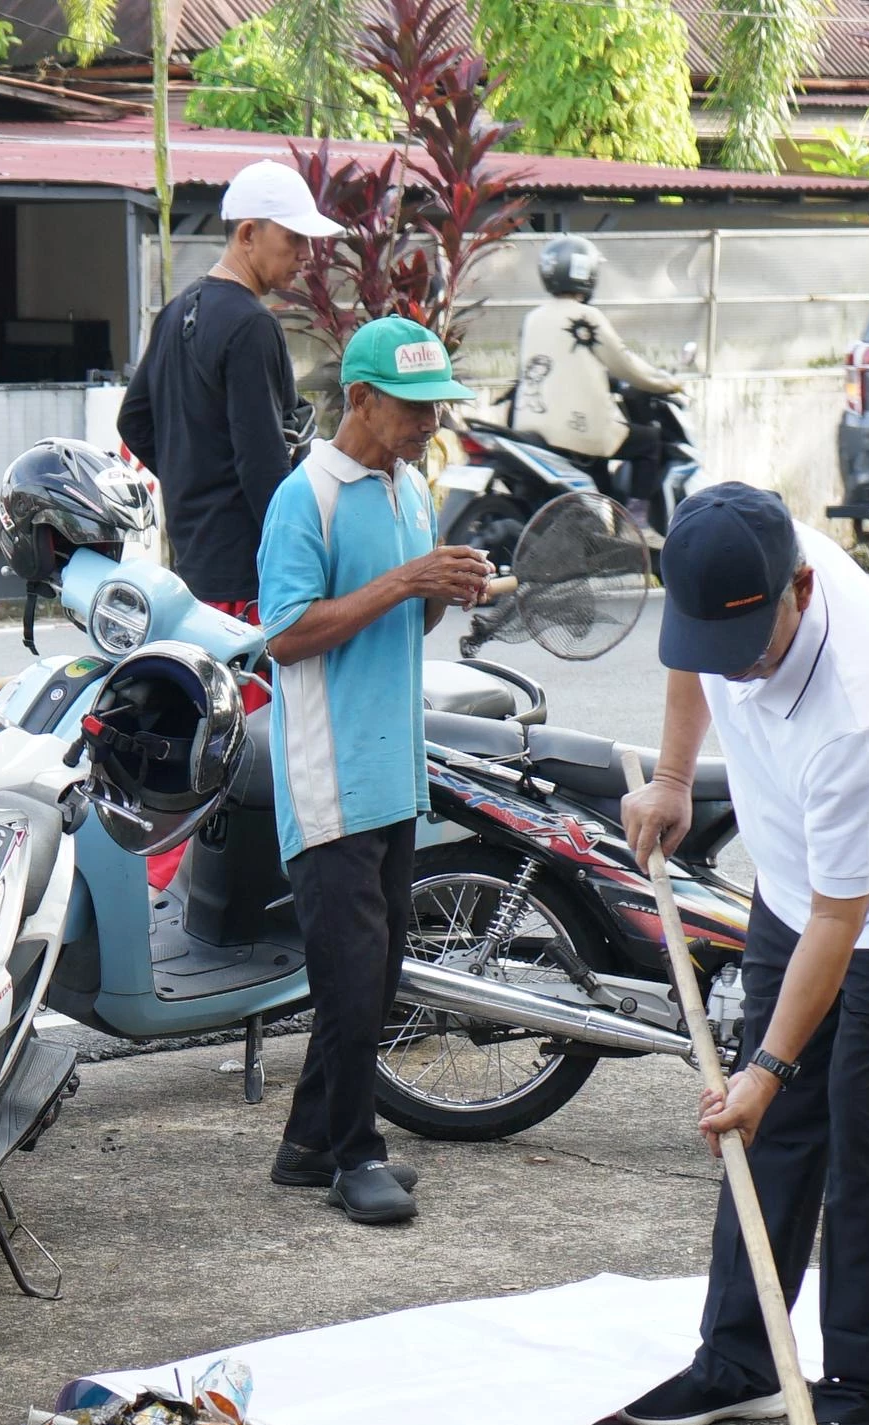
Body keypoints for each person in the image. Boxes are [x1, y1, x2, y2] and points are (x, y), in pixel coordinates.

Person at [619, 484, 869, 1425]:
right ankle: (739, 1358)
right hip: (797, 876)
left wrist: (768, 1063)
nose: (729, 667)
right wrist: (669, 778)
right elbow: (688, 658)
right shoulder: (731, 561)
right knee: (769, 1129)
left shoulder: (859, 705)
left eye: (745, 648)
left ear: (797, 585)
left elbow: (848, 920)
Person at [254, 317, 496, 1228]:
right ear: (359, 399)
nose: (430, 424)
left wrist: (439, 591)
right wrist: (405, 582)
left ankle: (309, 1143)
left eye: (439, 407)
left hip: (393, 769)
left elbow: (407, 623)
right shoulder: (303, 497)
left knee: (378, 968)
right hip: (328, 779)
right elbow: (284, 635)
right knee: (353, 981)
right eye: (414, 407)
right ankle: (357, 1153)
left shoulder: (409, 491)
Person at [117, 157, 340, 617]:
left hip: (193, 562)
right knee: (254, 690)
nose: (305, 253)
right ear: (248, 234)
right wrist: (301, 551)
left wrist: (193, 483)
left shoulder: (177, 311)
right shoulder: (251, 326)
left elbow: (134, 422)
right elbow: (262, 462)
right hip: (249, 573)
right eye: (293, 237)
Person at [504, 236, 682, 517]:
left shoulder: (533, 318)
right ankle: (639, 523)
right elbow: (625, 364)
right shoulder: (587, 318)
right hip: (577, 431)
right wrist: (669, 382)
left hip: (530, 429)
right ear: (587, 272)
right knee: (649, 442)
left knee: (600, 469)